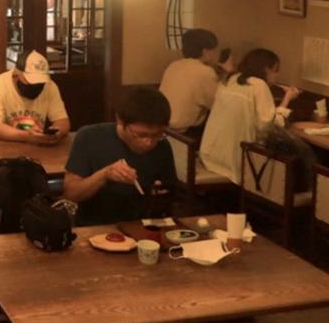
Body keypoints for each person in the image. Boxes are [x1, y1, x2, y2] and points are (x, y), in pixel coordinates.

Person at [62, 87, 176, 226]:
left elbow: (169, 197)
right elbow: (71, 194)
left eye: (157, 135)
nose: (149, 142)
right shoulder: (89, 137)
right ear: (120, 121)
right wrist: (104, 174)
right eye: (140, 135)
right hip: (97, 227)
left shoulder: (162, 145)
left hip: (143, 226)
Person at [199, 48, 300, 185]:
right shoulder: (259, 85)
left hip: (210, 154)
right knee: (296, 158)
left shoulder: (229, 79)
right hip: (233, 161)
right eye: (276, 70)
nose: (277, 75)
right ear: (266, 69)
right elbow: (268, 126)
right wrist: (287, 99)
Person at [0, 49, 70, 145]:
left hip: (33, 148)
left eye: (40, 83)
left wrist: (57, 132)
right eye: (31, 82)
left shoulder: (50, 86)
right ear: (16, 75)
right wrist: (27, 136)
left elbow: (62, 121)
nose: (35, 86)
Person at [159, 28, 229, 134]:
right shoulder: (205, 71)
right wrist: (229, 74)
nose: (215, 54)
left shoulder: (174, 65)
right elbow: (218, 104)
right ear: (205, 51)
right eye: (214, 50)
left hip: (163, 127)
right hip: (184, 132)